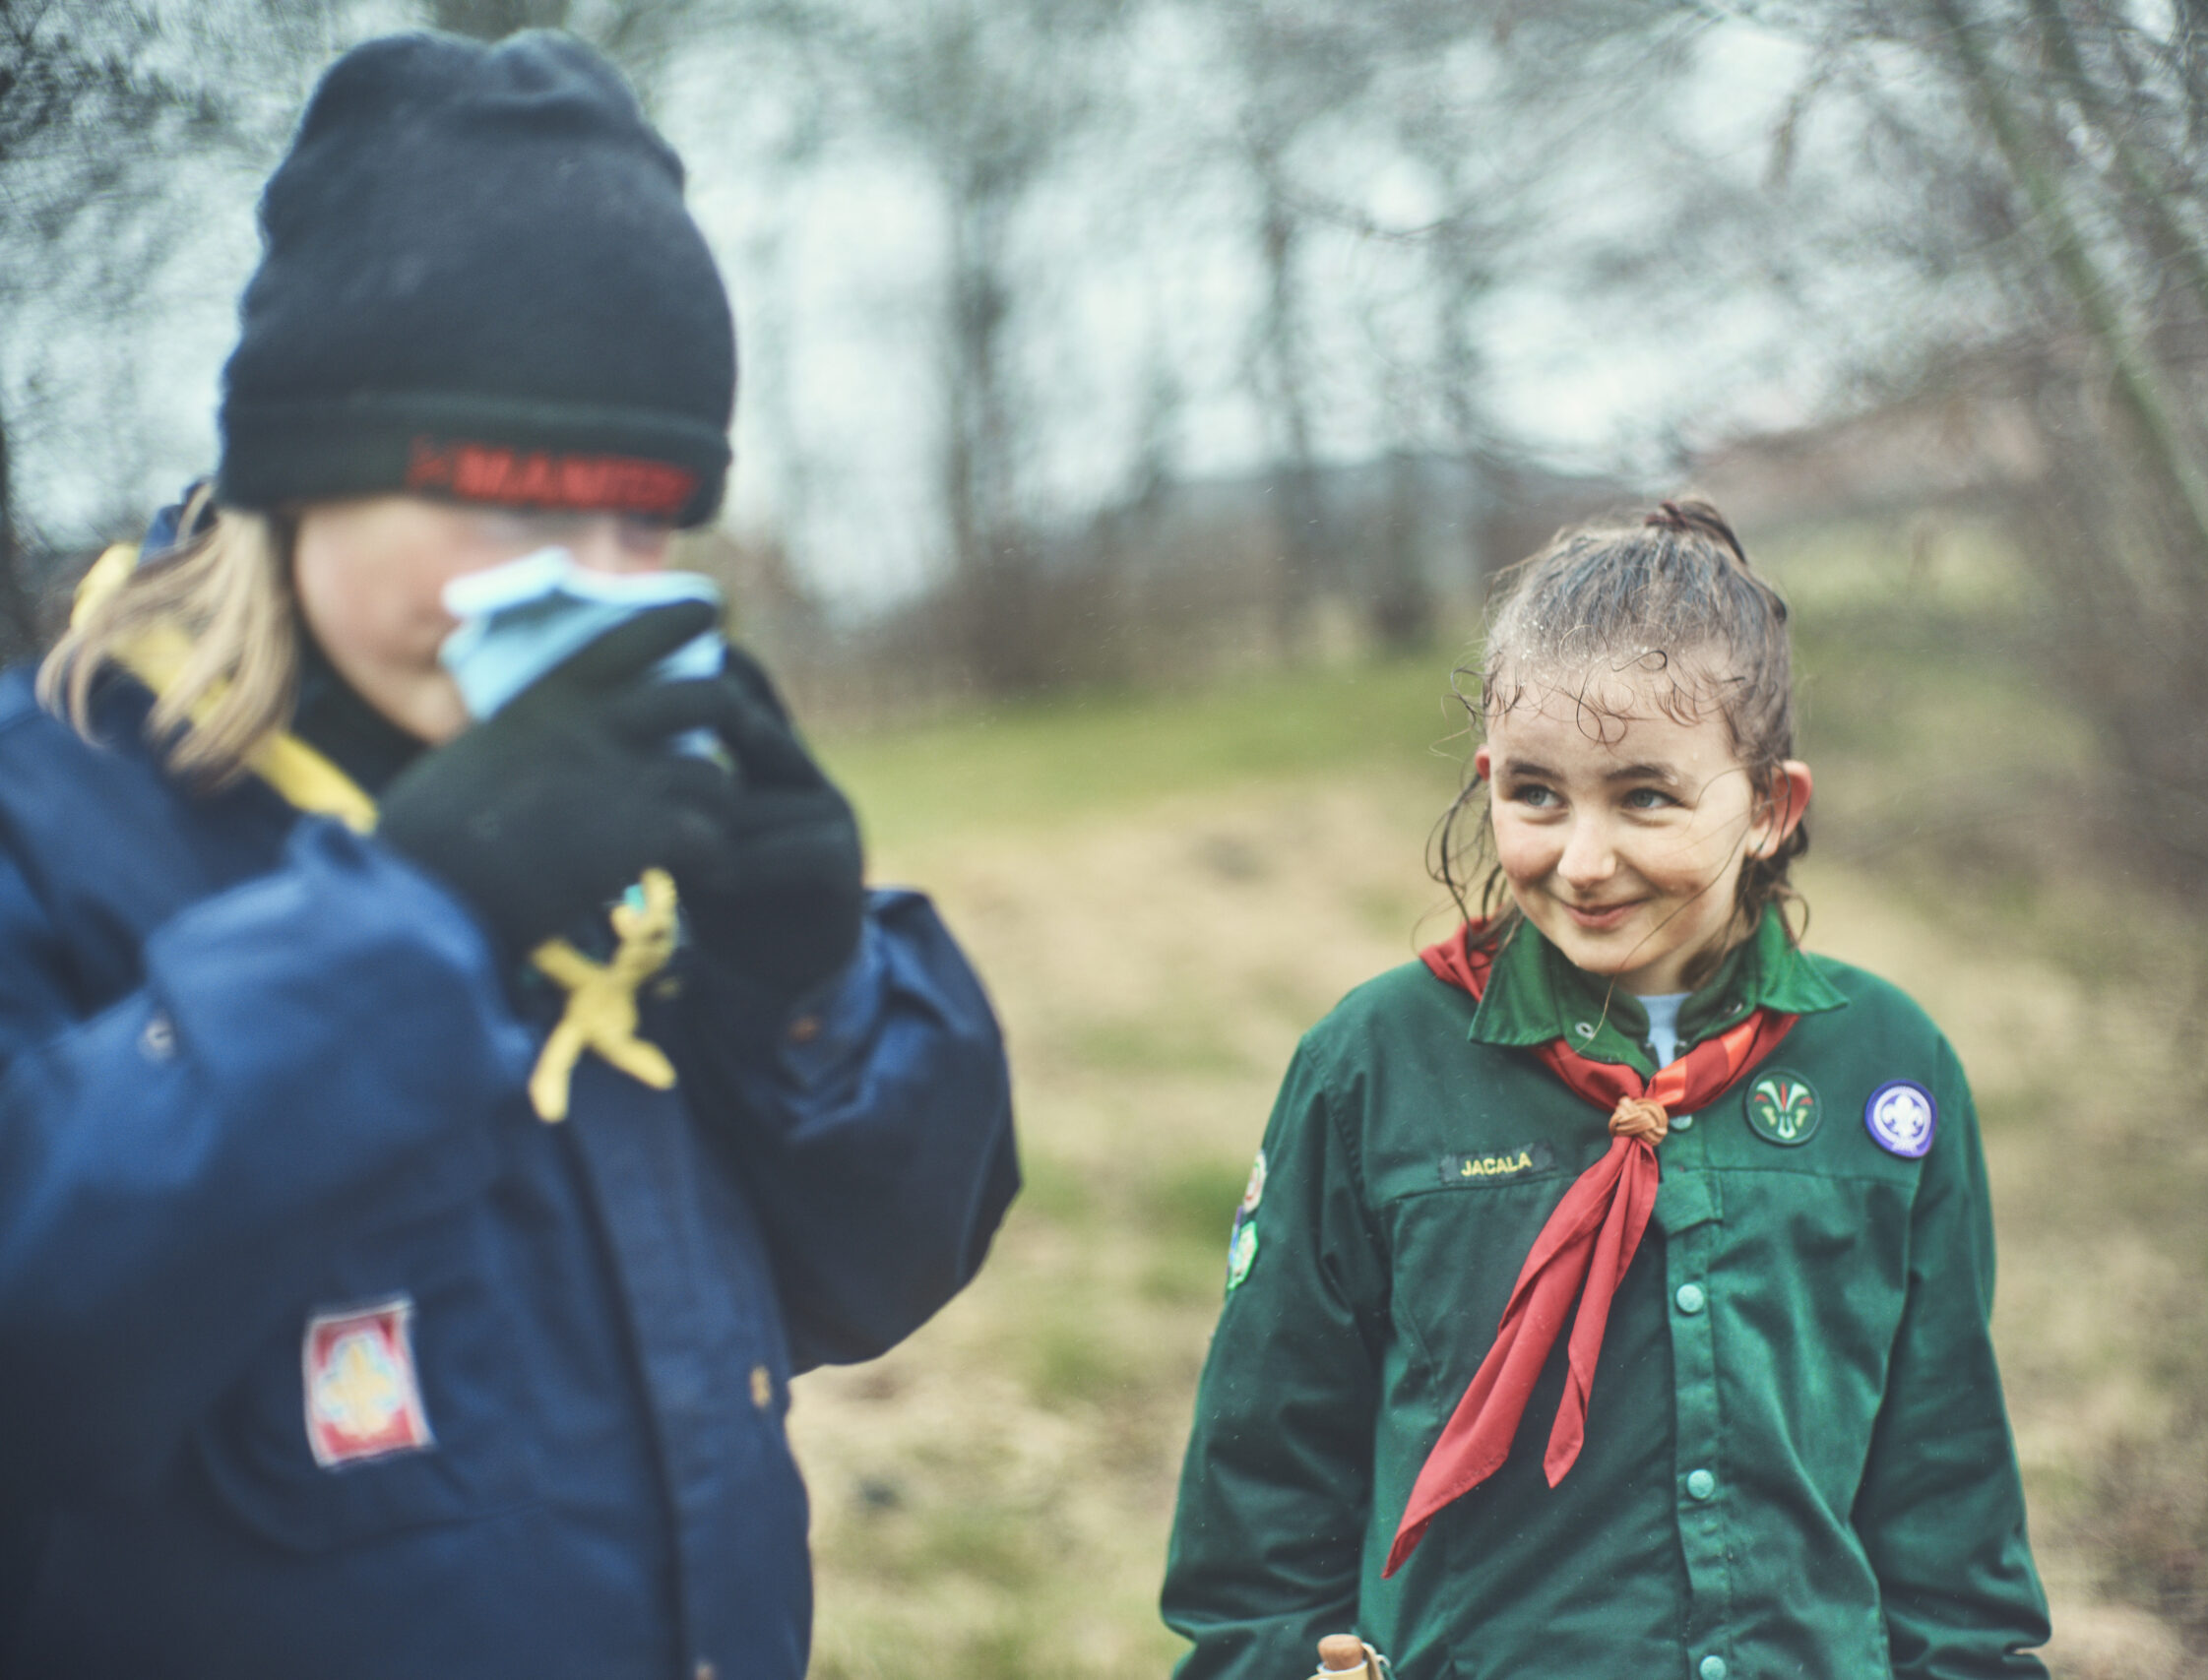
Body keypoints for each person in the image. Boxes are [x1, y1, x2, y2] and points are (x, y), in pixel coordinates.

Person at [0, 31, 1017, 1679]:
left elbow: (877, 1278)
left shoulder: (652, 804)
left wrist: (811, 978)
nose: (583, 583)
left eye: (640, 519)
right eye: (510, 503)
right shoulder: (49, 822)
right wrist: (422, 925)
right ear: (303, 477)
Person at [1163, 500, 2050, 1678]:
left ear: (1771, 808)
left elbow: (1945, 1484)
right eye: (1535, 795)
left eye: (1644, 797)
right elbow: (1264, 1474)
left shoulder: (1890, 1067)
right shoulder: (1373, 1063)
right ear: (1487, 781)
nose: (1582, 861)